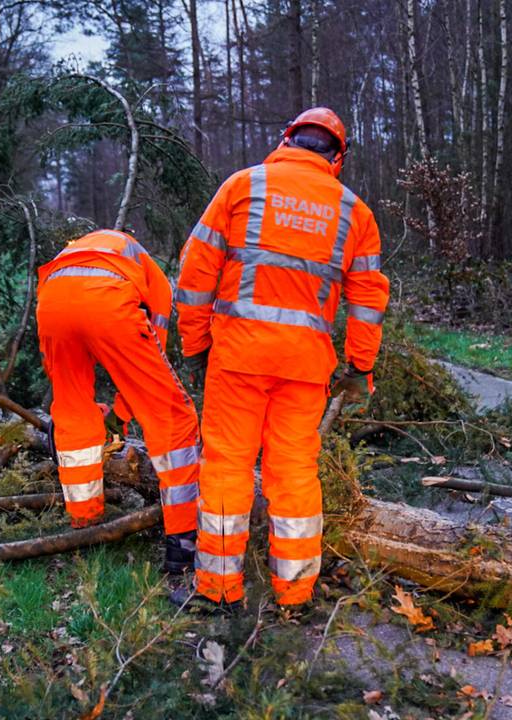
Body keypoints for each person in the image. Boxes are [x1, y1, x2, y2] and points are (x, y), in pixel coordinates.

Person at [174, 108, 390, 608]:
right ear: (338, 155)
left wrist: (195, 344)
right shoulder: (354, 212)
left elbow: (195, 272)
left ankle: (218, 589)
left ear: (287, 139)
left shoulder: (242, 187)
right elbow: (368, 301)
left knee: (227, 465)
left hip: (238, 356)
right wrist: (360, 367)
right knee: (294, 470)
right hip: (305, 366)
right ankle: (294, 592)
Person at [36, 228, 200, 573]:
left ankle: (84, 519)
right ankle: (183, 541)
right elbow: (150, 369)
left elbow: (55, 366)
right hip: (105, 299)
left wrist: (114, 417)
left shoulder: (81, 252)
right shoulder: (155, 279)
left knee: (71, 408)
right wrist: (124, 412)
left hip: (51, 301)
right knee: (172, 413)